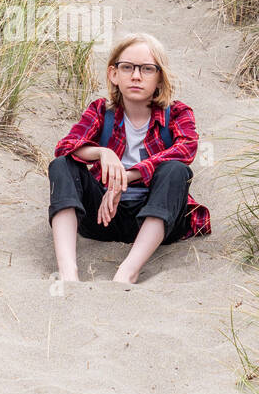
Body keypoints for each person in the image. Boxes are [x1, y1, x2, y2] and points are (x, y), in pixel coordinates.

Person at [47, 31, 211, 286]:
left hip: (154, 219)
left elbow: (186, 149)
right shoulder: (101, 111)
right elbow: (65, 146)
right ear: (114, 74)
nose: (136, 76)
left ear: (159, 78)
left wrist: (125, 177)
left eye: (147, 69)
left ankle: (128, 272)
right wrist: (103, 153)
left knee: (176, 170)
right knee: (62, 165)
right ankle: (68, 273)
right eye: (127, 67)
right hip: (104, 216)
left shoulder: (177, 113)